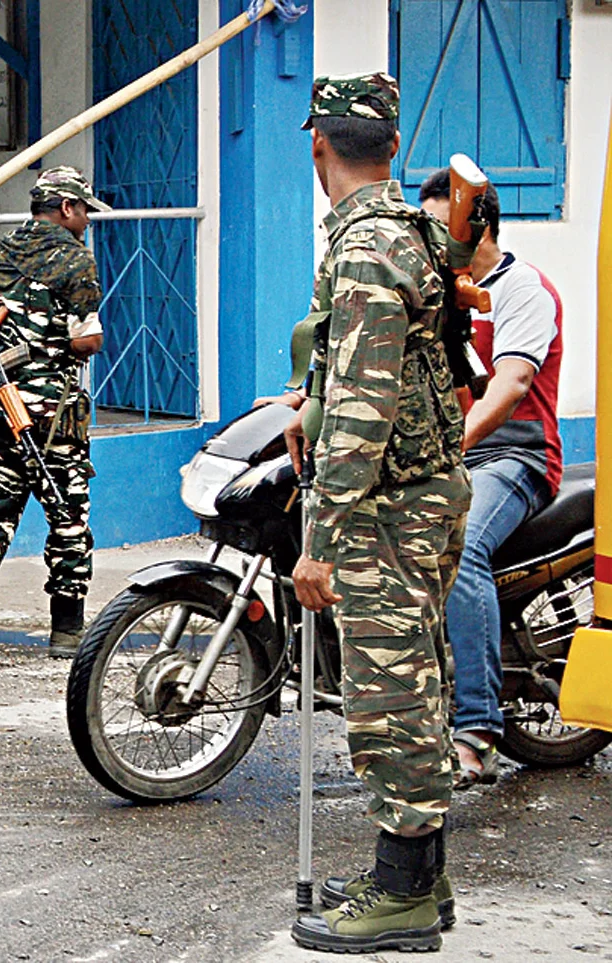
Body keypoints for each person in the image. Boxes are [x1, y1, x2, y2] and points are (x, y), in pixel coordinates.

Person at [286, 72, 469, 954]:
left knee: (389, 697)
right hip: (428, 490)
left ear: (317, 144)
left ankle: (400, 898)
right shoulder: (416, 232)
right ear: (392, 148)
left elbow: (365, 405)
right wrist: (306, 402)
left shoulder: (365, 248)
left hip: (386, 508)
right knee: (420, 681)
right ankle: (419, 882)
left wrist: (319, 540)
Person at [417, 168, 563, 787]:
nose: (424, 238)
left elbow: (511, 385)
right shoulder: (440, 291)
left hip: (514, 456)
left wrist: (453, 446)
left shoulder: (522, 289)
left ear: (470, 226)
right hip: (449, 452)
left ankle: (475, 730)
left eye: (434, 225)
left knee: (462, 544)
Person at [0, 166, 106, 669]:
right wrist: (58, 342)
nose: (88, 220)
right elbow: (88, 340)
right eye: (85, 210)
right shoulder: (76, 262)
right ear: (67, 208)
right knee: (68, 518)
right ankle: (68, 633)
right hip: (51, 418)